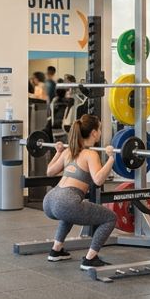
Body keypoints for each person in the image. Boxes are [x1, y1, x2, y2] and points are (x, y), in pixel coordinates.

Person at [43, 114, 118, 271]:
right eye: (99, 128)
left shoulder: (69, 151)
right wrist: (111, 158)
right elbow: (98, 180)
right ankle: (90, 258)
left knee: (69, 211)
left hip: (50, 200)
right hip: (66, 201)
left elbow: (49, 171)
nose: (100, 131)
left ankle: (56, 250)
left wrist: (58, 152)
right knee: (110, 218)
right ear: (94, 133)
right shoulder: (91, 154)